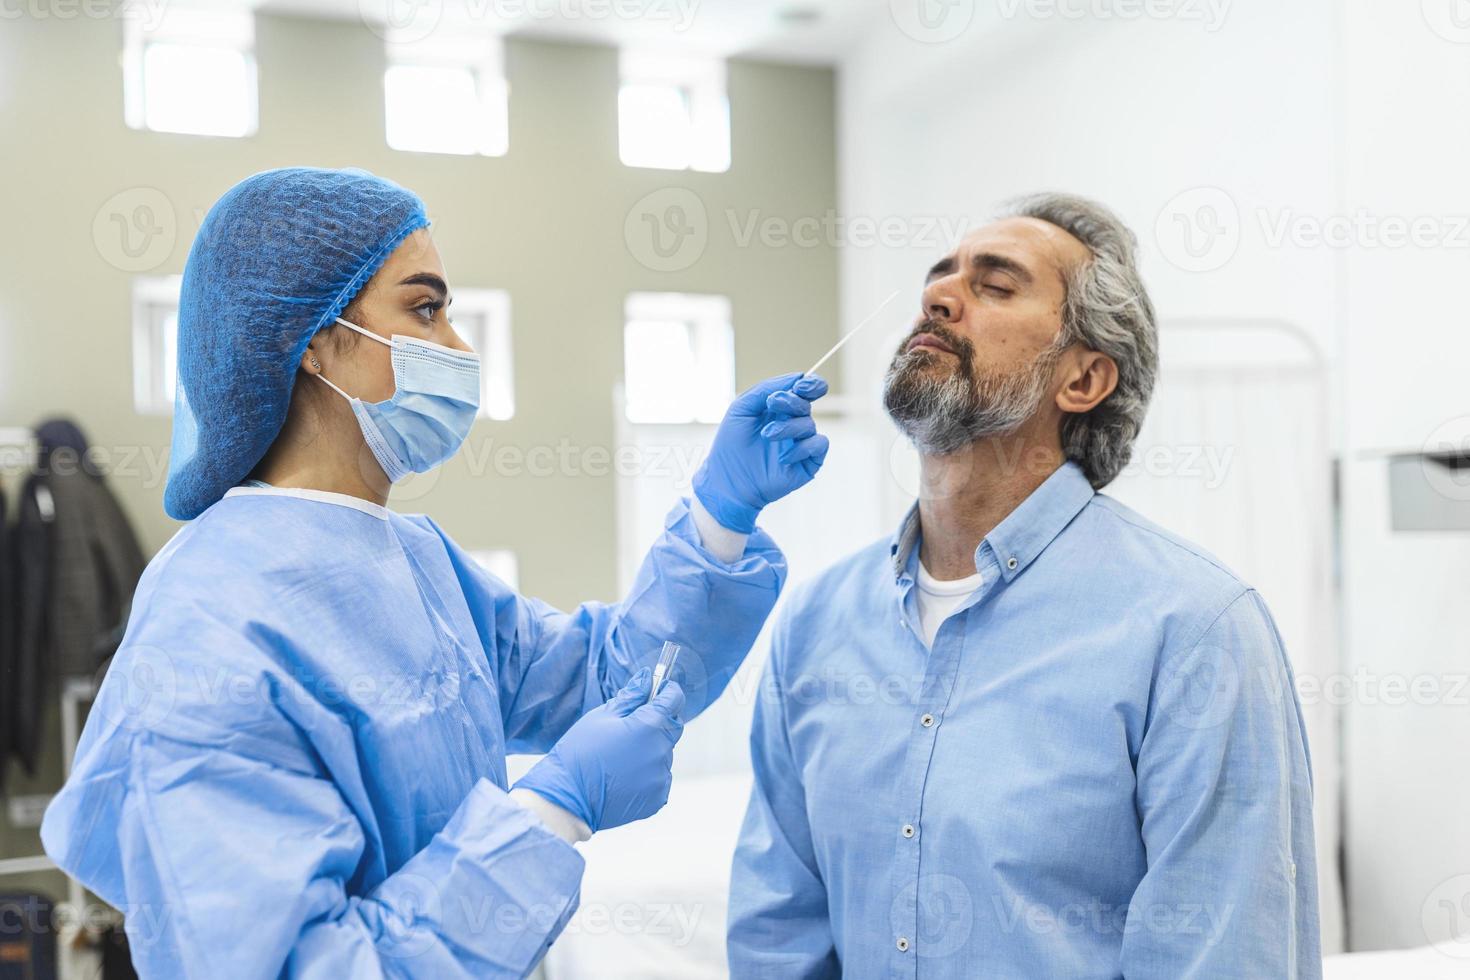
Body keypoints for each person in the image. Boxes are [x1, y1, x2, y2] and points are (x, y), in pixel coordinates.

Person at [41, 167, 831, 978]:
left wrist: (719, 515)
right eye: (426, 308)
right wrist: (546, 813)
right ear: (310, 341)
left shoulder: (416, 561)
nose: (459, 348)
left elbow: (608, 678)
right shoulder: (210, 624)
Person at [727, 193, 1320, 978]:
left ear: (1082, 379)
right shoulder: (815, 624)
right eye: (940, 278)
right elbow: (779, 934)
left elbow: (1221, 954)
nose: (939, 296)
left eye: (995, 285)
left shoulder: (1193, 631)